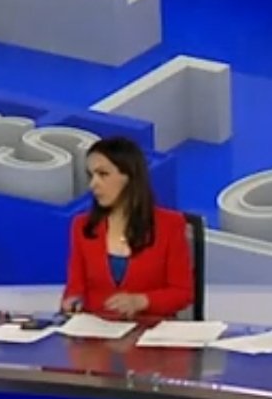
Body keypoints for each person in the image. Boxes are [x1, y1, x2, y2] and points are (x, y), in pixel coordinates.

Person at [61, 137, 195, 319]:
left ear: (129, 176)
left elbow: (183, 293)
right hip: (97, 331)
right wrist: (72, 300)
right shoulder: (82, 226)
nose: (93, 184)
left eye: (103, 174)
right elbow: (75, 288)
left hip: (151, 330)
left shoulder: (170, 225)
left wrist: (141, 301)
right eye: (91, 176)